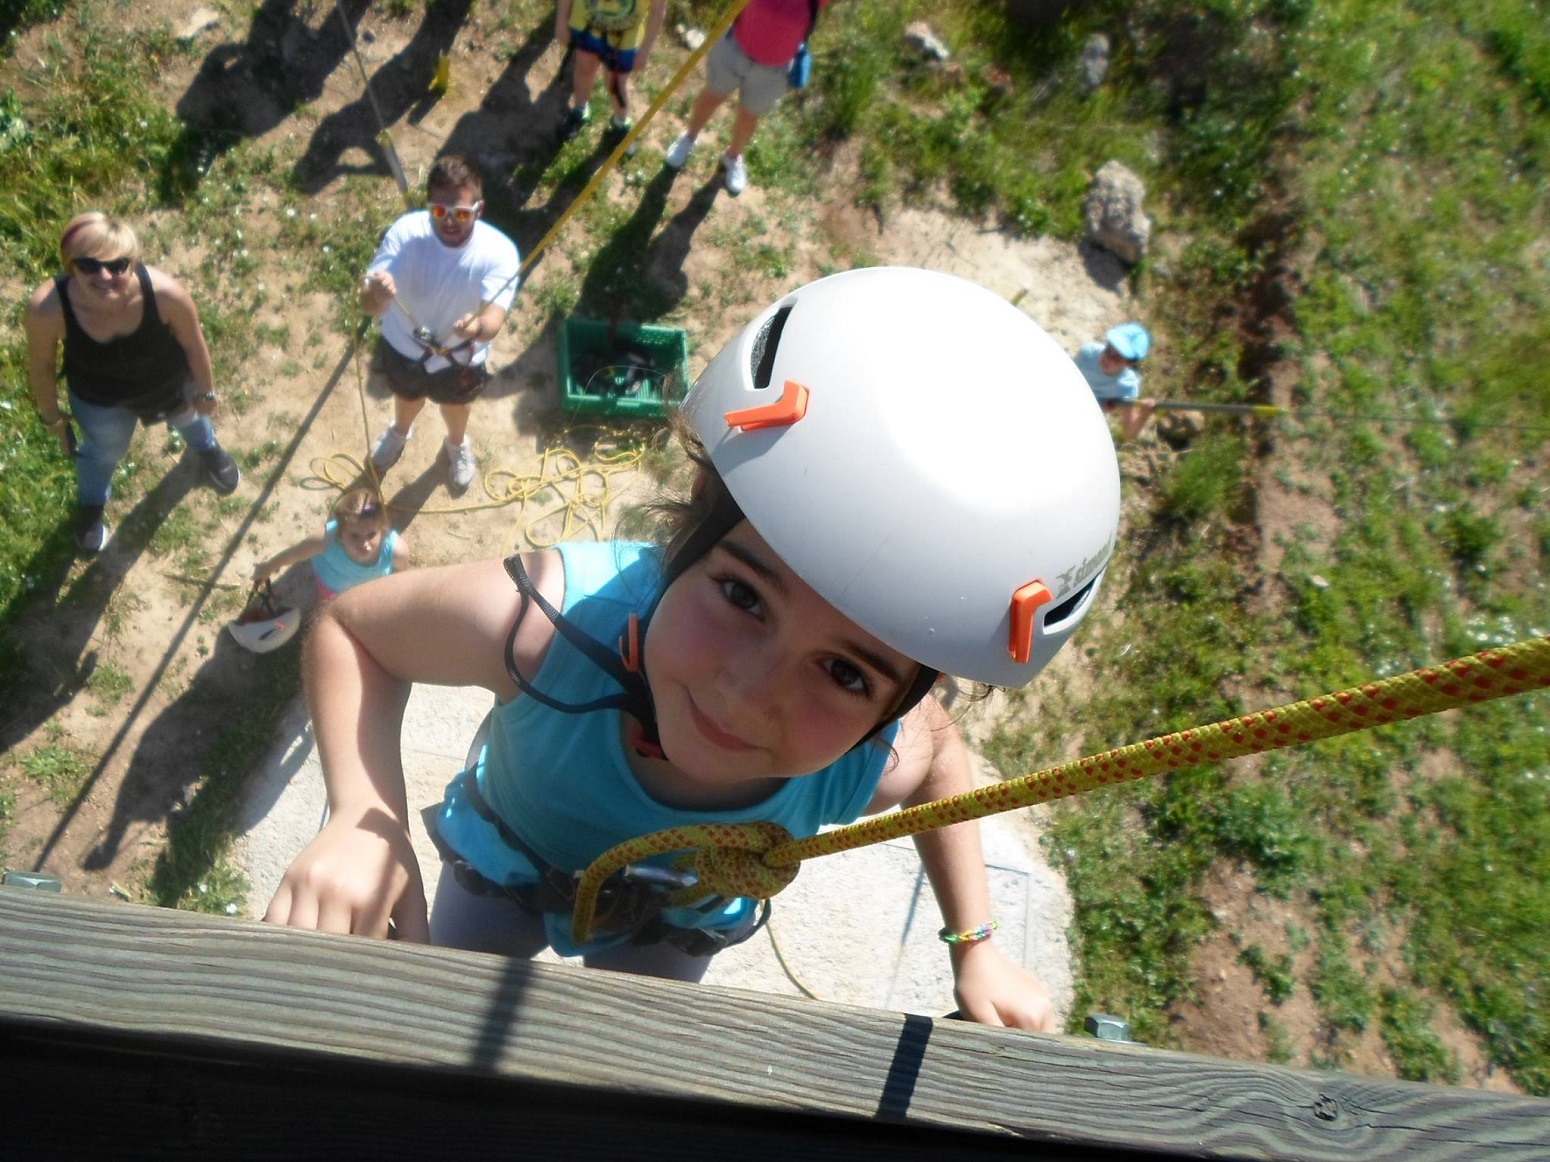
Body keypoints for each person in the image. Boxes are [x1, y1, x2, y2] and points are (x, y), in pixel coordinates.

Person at [265, 267, 1121, 1031]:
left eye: (846, 672)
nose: (749, 693)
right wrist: (362, 817)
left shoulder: (863, 761)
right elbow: (355, 629)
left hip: (671, 919)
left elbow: (940, 760)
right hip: (509, 873)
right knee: (447, 1008)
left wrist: (974, 943)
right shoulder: (552, 625)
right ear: (681, 547)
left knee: (629, 1043)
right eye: (744, 595)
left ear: (893, 706)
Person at [25, 212, 241, 554]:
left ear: (133, 262)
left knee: (192, 418)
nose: (105, 275)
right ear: (70, 266)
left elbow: (193, 341)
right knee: (102, 452)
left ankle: (206, 448)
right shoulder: (47, 310)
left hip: (169, 383)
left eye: (118, 264)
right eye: (89, 265)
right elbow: (42, 364)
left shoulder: (166, 294)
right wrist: (53, 419)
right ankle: (92, 505)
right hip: (100, 398)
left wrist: (206, 391)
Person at [359, 155, 520, 492]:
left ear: (479, 209)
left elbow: (494, 318)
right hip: (404, 345)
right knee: (406, 396)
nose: (449, 221)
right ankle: (399, 432)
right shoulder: (406, 233)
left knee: (456, 406)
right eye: (439, 211)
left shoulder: (500, 252)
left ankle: (457, 444)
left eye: (461, 213)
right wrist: (377, 294)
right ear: (429, 206)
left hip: (459, 354)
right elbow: (369, 305)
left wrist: (476, 328)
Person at [662, 0, 826, 196]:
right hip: (734, 47)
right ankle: (689, 137)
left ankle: (733, 157)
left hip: (774, 69)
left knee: (749, 114)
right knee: (712, 96)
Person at [251, 487, 409, 600]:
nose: (365, 544)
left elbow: (402, 576)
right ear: (340, 533)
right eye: (354, 536)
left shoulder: (396, 551)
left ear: (382, 529)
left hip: (369, 590)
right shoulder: (325, 540)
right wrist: (268, 567)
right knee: (329, 610)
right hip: (330, 586)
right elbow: (294, 554)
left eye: (372, 535)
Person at [554, 0, 667, 145]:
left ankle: (621, 122)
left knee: (616, 84)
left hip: (625, 37)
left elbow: (657, 10)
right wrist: (561, 20)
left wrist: (645, 50)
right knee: (584, 67)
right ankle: (580, 109)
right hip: (587, 23)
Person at [1073, 322, 1156, 442]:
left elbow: (1128, 434)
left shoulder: (1128, 386)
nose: (1108, 359)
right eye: (1108, 350)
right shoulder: (1088, 352)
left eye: (1117, 358)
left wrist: (1144, 414)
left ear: (1129, 363)